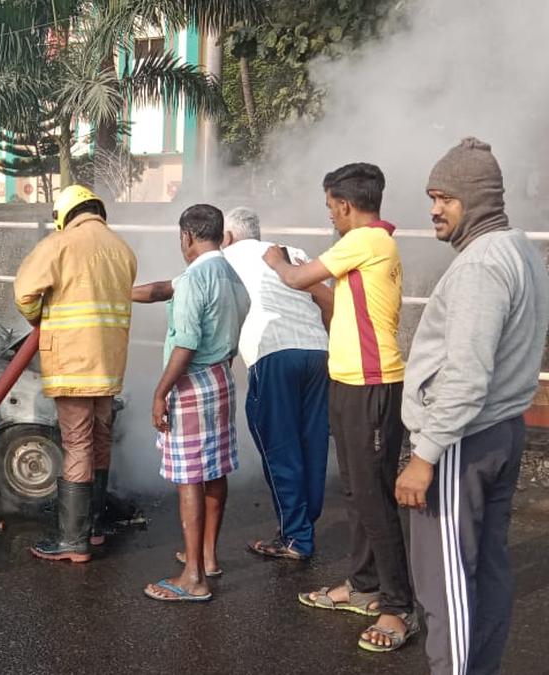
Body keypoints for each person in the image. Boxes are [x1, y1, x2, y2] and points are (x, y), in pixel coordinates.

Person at [398, 138, 549, 674]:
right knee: (484, 571)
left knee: (446, 587)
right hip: (500, 430)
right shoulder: (520, 251)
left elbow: (465, 375)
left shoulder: (480, 267)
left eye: (445, 198)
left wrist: (425, 455)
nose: (435, 210)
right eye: (432, 197)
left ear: (478, 200)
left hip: (463, 438)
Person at [264, 163, 415, 652]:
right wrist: (303, 279)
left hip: (372, 385)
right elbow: (328, 297)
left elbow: (294, 277)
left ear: (345, 204)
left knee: (373, 496)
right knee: (355, 490)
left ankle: (398, 607)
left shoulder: (365, 240)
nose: (330, 216)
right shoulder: (369, 248)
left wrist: (274, 261)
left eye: (330, 207)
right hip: (349, 381)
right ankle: (363, 585)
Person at [13, 184, 137, 563]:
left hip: (73, 363)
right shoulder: (122, 250)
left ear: (64, 214)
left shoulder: (60, 243)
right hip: (109, 364)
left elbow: (24, 294)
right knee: (100, 440)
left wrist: (40, 320)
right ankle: (94, 528)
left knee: (78, 444)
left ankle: (72, 541)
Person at [138, 204, 249, 602]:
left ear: (186, 236)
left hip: (190, 382)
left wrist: (160, 392)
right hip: (222, 376)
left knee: (190, 476)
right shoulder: (230, 275)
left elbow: (185, 342)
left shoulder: (193, 280)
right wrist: (115, 292)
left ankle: (193, 578)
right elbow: (162, 290)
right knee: (215, 469)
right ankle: (208, 557)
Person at [221, 207, 332, 562]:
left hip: (274, 355)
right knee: (311, 442)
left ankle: (297, 537)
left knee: (279, 447)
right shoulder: (292, 252)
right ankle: (302, 524)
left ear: (227, 237)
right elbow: (329, 302)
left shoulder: (225, 257)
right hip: (318, 352)